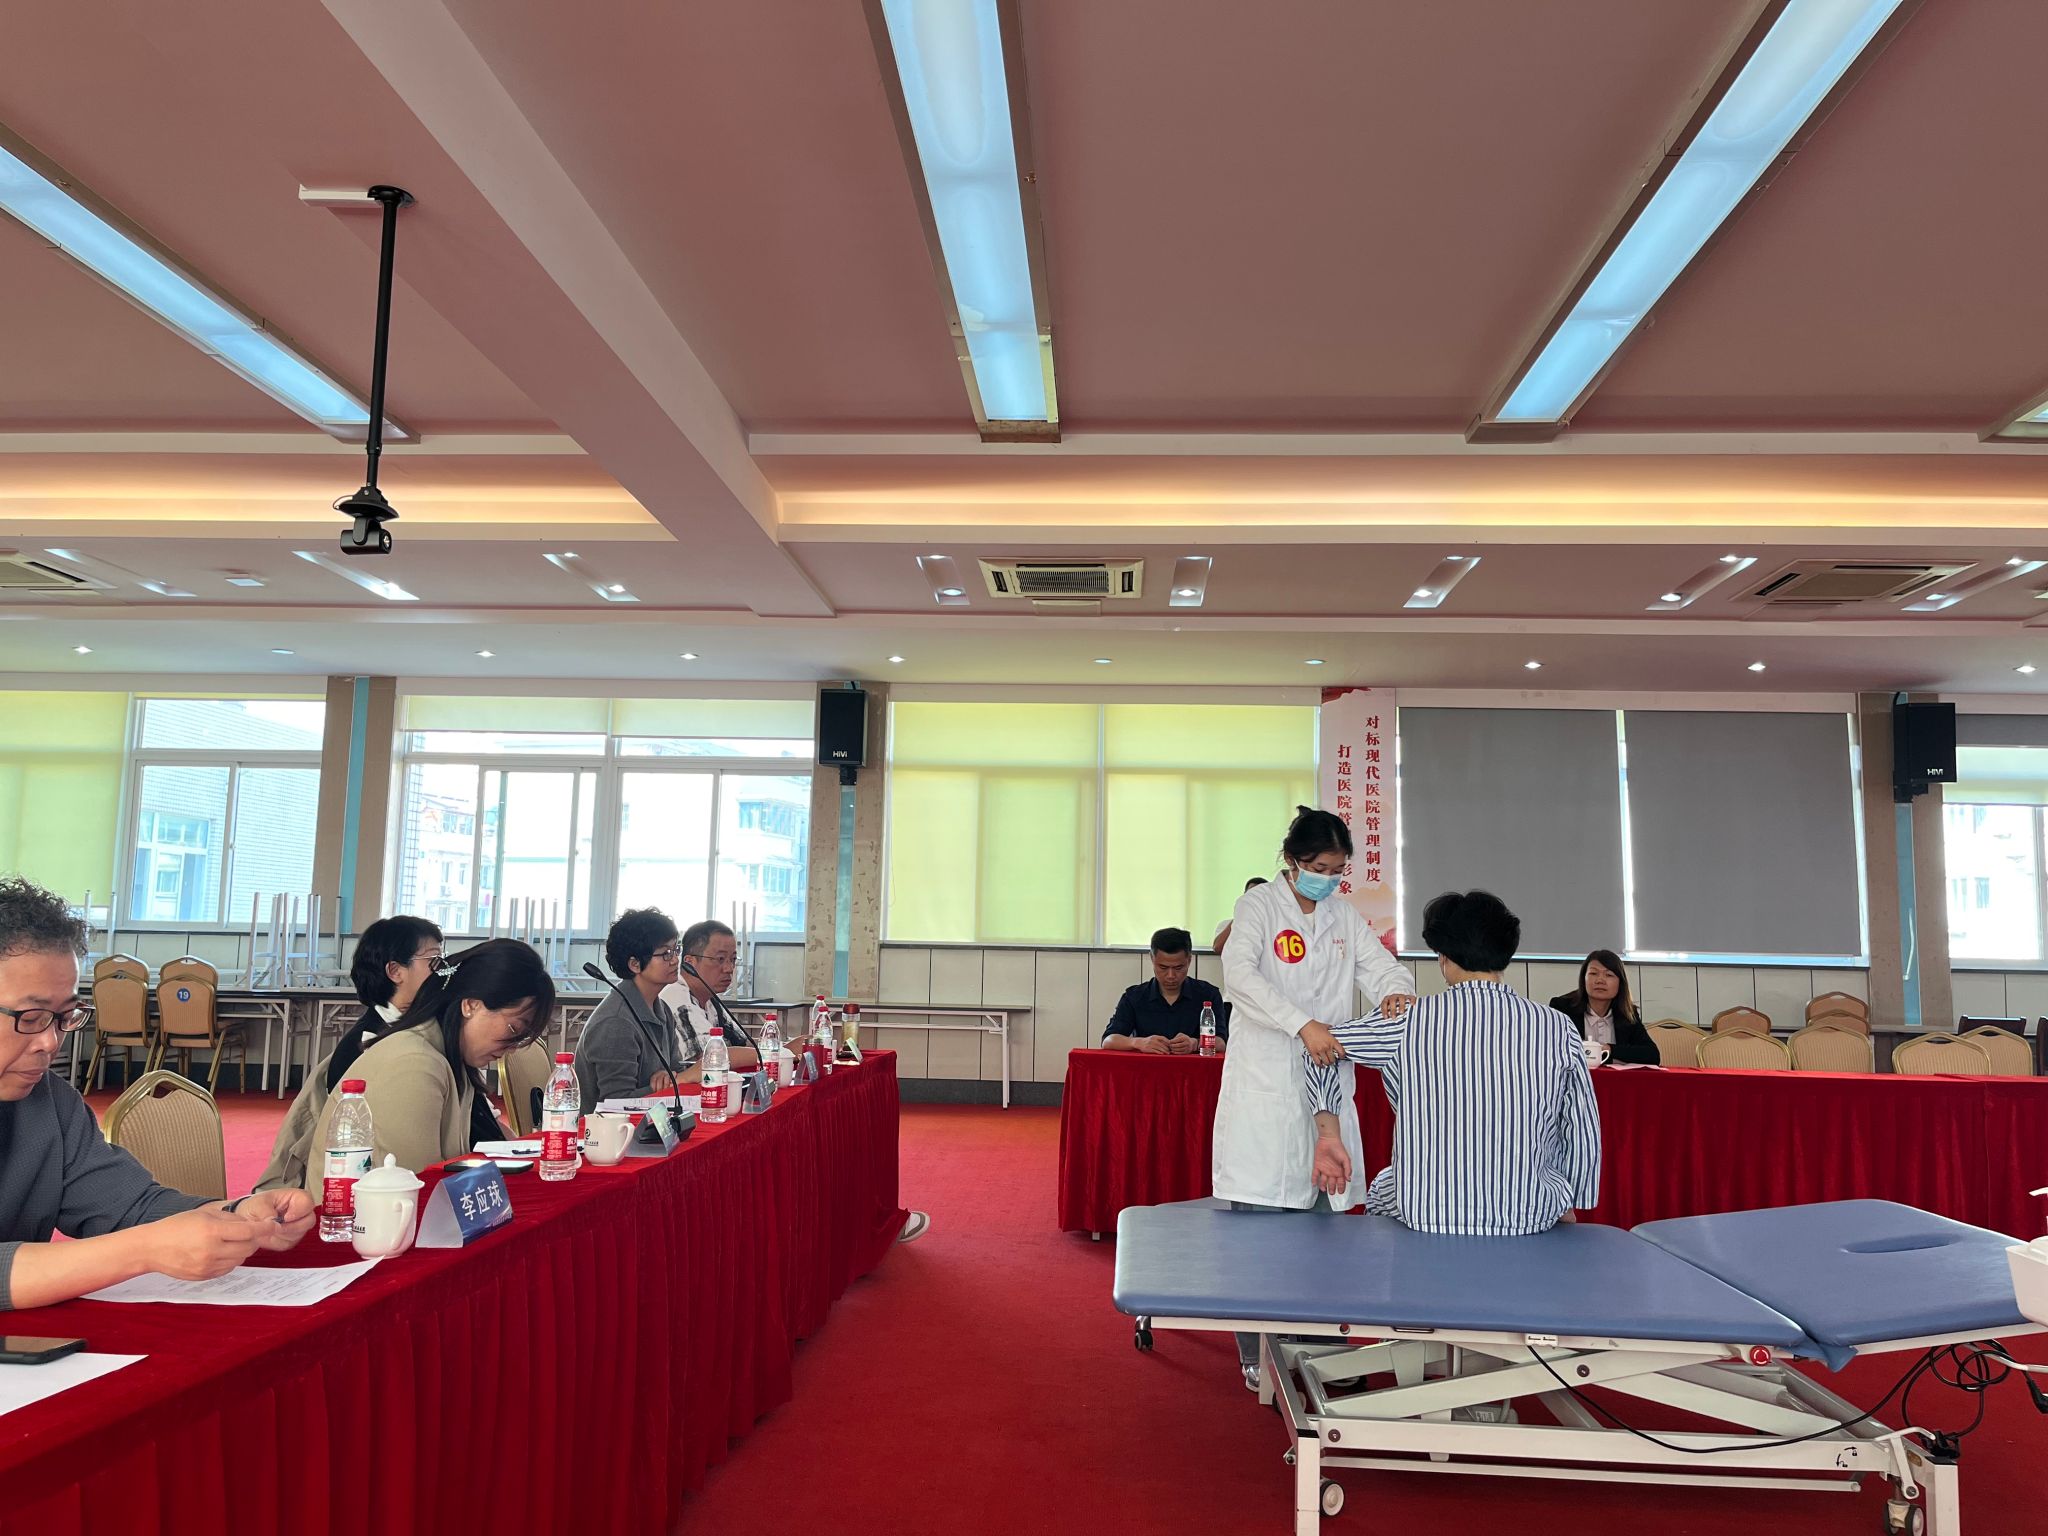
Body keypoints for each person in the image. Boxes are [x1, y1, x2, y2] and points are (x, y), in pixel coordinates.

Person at [0, 876, 313, 1309]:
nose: (51, 1043)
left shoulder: (50, 1103)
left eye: (65, 1016)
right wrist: (142, 1250)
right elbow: (142, 1239)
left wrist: (237, 1214)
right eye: (32, 1017)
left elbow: (130, 1207)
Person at [1217, 807, 1413, 1391]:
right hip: (1268, 1086)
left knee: (1326, 1235)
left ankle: (1324, 1354)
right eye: (1319, 868)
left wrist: (1396, 992)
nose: (1328, 879)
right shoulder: (1258, 908)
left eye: (1337, 870)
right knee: (1263, 1233)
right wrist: (1302, 1024)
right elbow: (1240, 977)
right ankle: (1259, 1356)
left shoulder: (1342, 915)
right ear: (1291, 861)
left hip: (1327, 1090)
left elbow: (1382, 968)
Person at [1306, 890, 1602, 1237]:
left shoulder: (1407, 1020)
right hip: (1528, 1215)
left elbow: (1321, 1047)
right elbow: (1580, 1125)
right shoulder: (1556, 1026)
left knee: (1385, 1190)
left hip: (1423, 1213)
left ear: (1443, 957)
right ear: (1505, 954)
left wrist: (1329, 1135)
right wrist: (1569, 1200)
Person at [290, 939, 555, 1190]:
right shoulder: (415, 1065)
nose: (512, 1048)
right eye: (514, 1029)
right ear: (472, 1005)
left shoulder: (448, 1056)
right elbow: (419, 1186)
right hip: (365, 1216)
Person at [257, 914, 473, 1191]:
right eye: (434, 961)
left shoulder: (423, 1030)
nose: (444, 971)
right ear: (395, 971)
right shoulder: (370, 1047)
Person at [579, 910, 758, 1116]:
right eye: (665, 954)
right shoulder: (616, 1022)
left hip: (654, 1121)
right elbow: (616, 1104)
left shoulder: (660, 1008)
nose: (675, 960)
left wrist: (673, 1078)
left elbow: (675, 1072)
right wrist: (675, 1081)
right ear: (635, 964)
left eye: (676, 950)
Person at [657, 919, 761, 1072]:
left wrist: (779, 1046)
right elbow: (710, 1057)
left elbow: (742, 1043)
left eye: (733, 960)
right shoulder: (677, 998)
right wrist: (780, 1053)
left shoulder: (708, 998)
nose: (729, 968)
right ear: (689, 962)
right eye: (720, 959)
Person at [1103, 928, 1229, 1054]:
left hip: (1194, 1065)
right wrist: (1139, 1043)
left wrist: (1195, 1043)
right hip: (1147, 1065)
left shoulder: (1208, 994)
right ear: (1152, 958)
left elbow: (1221, 1043)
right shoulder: (1134, 996)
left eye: (1178, 968)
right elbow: (1108, 1040)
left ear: (1189, 960)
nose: (1171, 976)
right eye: (1163, 967)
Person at [1549, 950, 1658, 1066]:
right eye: (1593, 973)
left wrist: (1609, 1049)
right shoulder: (1562, 1008)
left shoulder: (1627, 1014)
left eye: (1609, 975)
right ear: (1583, 979)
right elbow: (1551, 1050)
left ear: (1620, 983)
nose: (1600, 980)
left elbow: (1652, 1055)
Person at [1211, 877, 1267, 954]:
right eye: (1250, 895)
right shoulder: (1225, 925)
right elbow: (1217, 948)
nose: (1254, 900)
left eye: (1259, 896)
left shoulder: (1275, 926)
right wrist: (1241, 916)